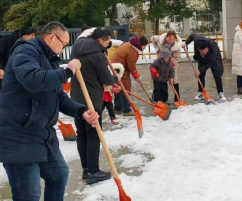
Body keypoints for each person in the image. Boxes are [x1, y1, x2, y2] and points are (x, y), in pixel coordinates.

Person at [0, 21, 99, 201]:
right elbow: (32, 80)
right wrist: (67, 71)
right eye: (64, 43)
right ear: (52, 37)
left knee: (59, 175)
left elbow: (59, 97)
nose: (64, 48)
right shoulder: (25, 52)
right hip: (19, 135)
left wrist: (82, 112)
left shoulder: (49, 59)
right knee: (28, 195)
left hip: (43, 135)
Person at [70, 28, 118, 185]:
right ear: (100, 40)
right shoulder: (98, 55)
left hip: (76, 98)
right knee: (93, 134)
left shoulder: (77, 48)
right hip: (91, 99)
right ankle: (93, 171)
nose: (108, 43)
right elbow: (106, 78)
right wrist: (114, 78)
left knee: (82, 134)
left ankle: (86, 168)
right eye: (107, 41)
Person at [111, 36, 149, 116]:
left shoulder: (129, 44)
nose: (145, 48)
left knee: (119, 88)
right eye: (144, 46)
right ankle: (126, 110)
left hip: (116, 68)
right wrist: (137, 76)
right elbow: (131, 66)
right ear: (140, 44)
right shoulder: (133, 51)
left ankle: (117, 108)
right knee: (125, 89)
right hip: (120, 70)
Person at [183, 33, 226, 101]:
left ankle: (220, 92)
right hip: (201, 59)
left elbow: (210, 63)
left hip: (214, 59)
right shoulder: (197, 39)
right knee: (201, 75)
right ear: (199, 50)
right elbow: (192, 35)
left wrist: (200, 70)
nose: (204, 53)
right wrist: (186, 43)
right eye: (202, 52)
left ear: (207, 48)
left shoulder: (213, 49)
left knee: (217, 74)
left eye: (205, 52)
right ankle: (200, 92)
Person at [151, 30, 183, 101]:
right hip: (161, 61)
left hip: (172, 62)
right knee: (159, 78)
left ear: (175, 39)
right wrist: (157, 48)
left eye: (173, 39)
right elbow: (153, 38)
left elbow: (177, 58)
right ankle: (156, 96)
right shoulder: (161, 39)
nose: (171, 41)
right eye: (169, 39)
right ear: (166, 37)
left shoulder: (176, 46)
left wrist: (169, 64)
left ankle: (177, 96)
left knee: (174, 78)